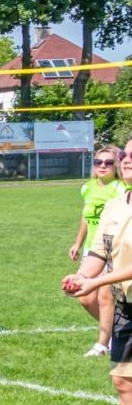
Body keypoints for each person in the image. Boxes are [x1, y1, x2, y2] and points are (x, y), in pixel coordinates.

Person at [65, 166, 132, 405]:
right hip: (127, 305)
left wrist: (96, 283)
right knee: (124, 381)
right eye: (126, 154)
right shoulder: (115, 206)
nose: (126, 160)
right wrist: (80, 277)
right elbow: (99, 253)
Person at [72, 146, 123, 356]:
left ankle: (102, 344)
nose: (102, 166)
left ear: (116, 166)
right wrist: (78, 242)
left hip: (111, 251)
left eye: (108, 162)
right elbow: (86, 216)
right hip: (92, 251)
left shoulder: (120, 188)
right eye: (98, 162)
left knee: (104, 295)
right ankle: (116, 332)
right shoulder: (87, 188)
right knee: (84, 296)